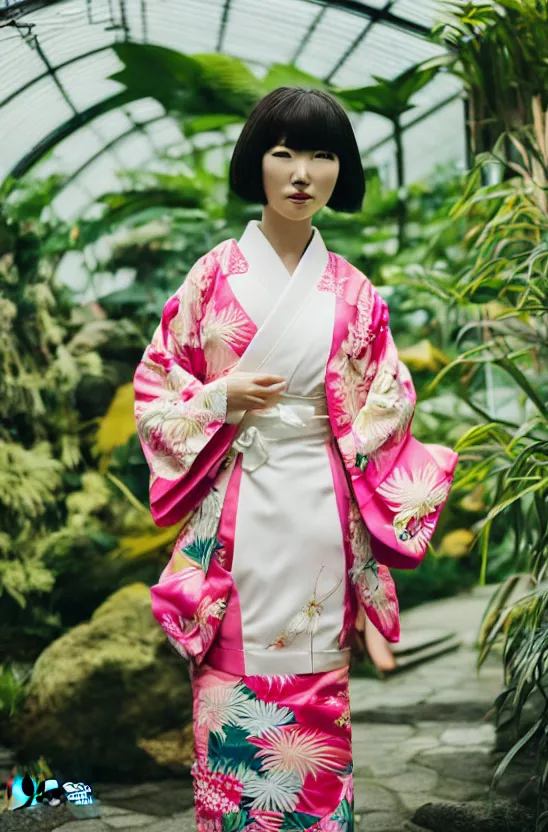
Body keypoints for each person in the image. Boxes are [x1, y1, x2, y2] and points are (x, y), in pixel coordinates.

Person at [133, 86, 458, 832]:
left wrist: (345, 441)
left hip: (318, 508)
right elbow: (157, 386)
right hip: (239, 509)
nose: (302, 171)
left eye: (322, 154)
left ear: (341, 170)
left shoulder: (355, 292)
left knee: (315, 692)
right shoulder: (213, 275)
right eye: (284, 153)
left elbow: (390, 400)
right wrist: (220, 399)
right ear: (259, 164)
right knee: (231, 687)